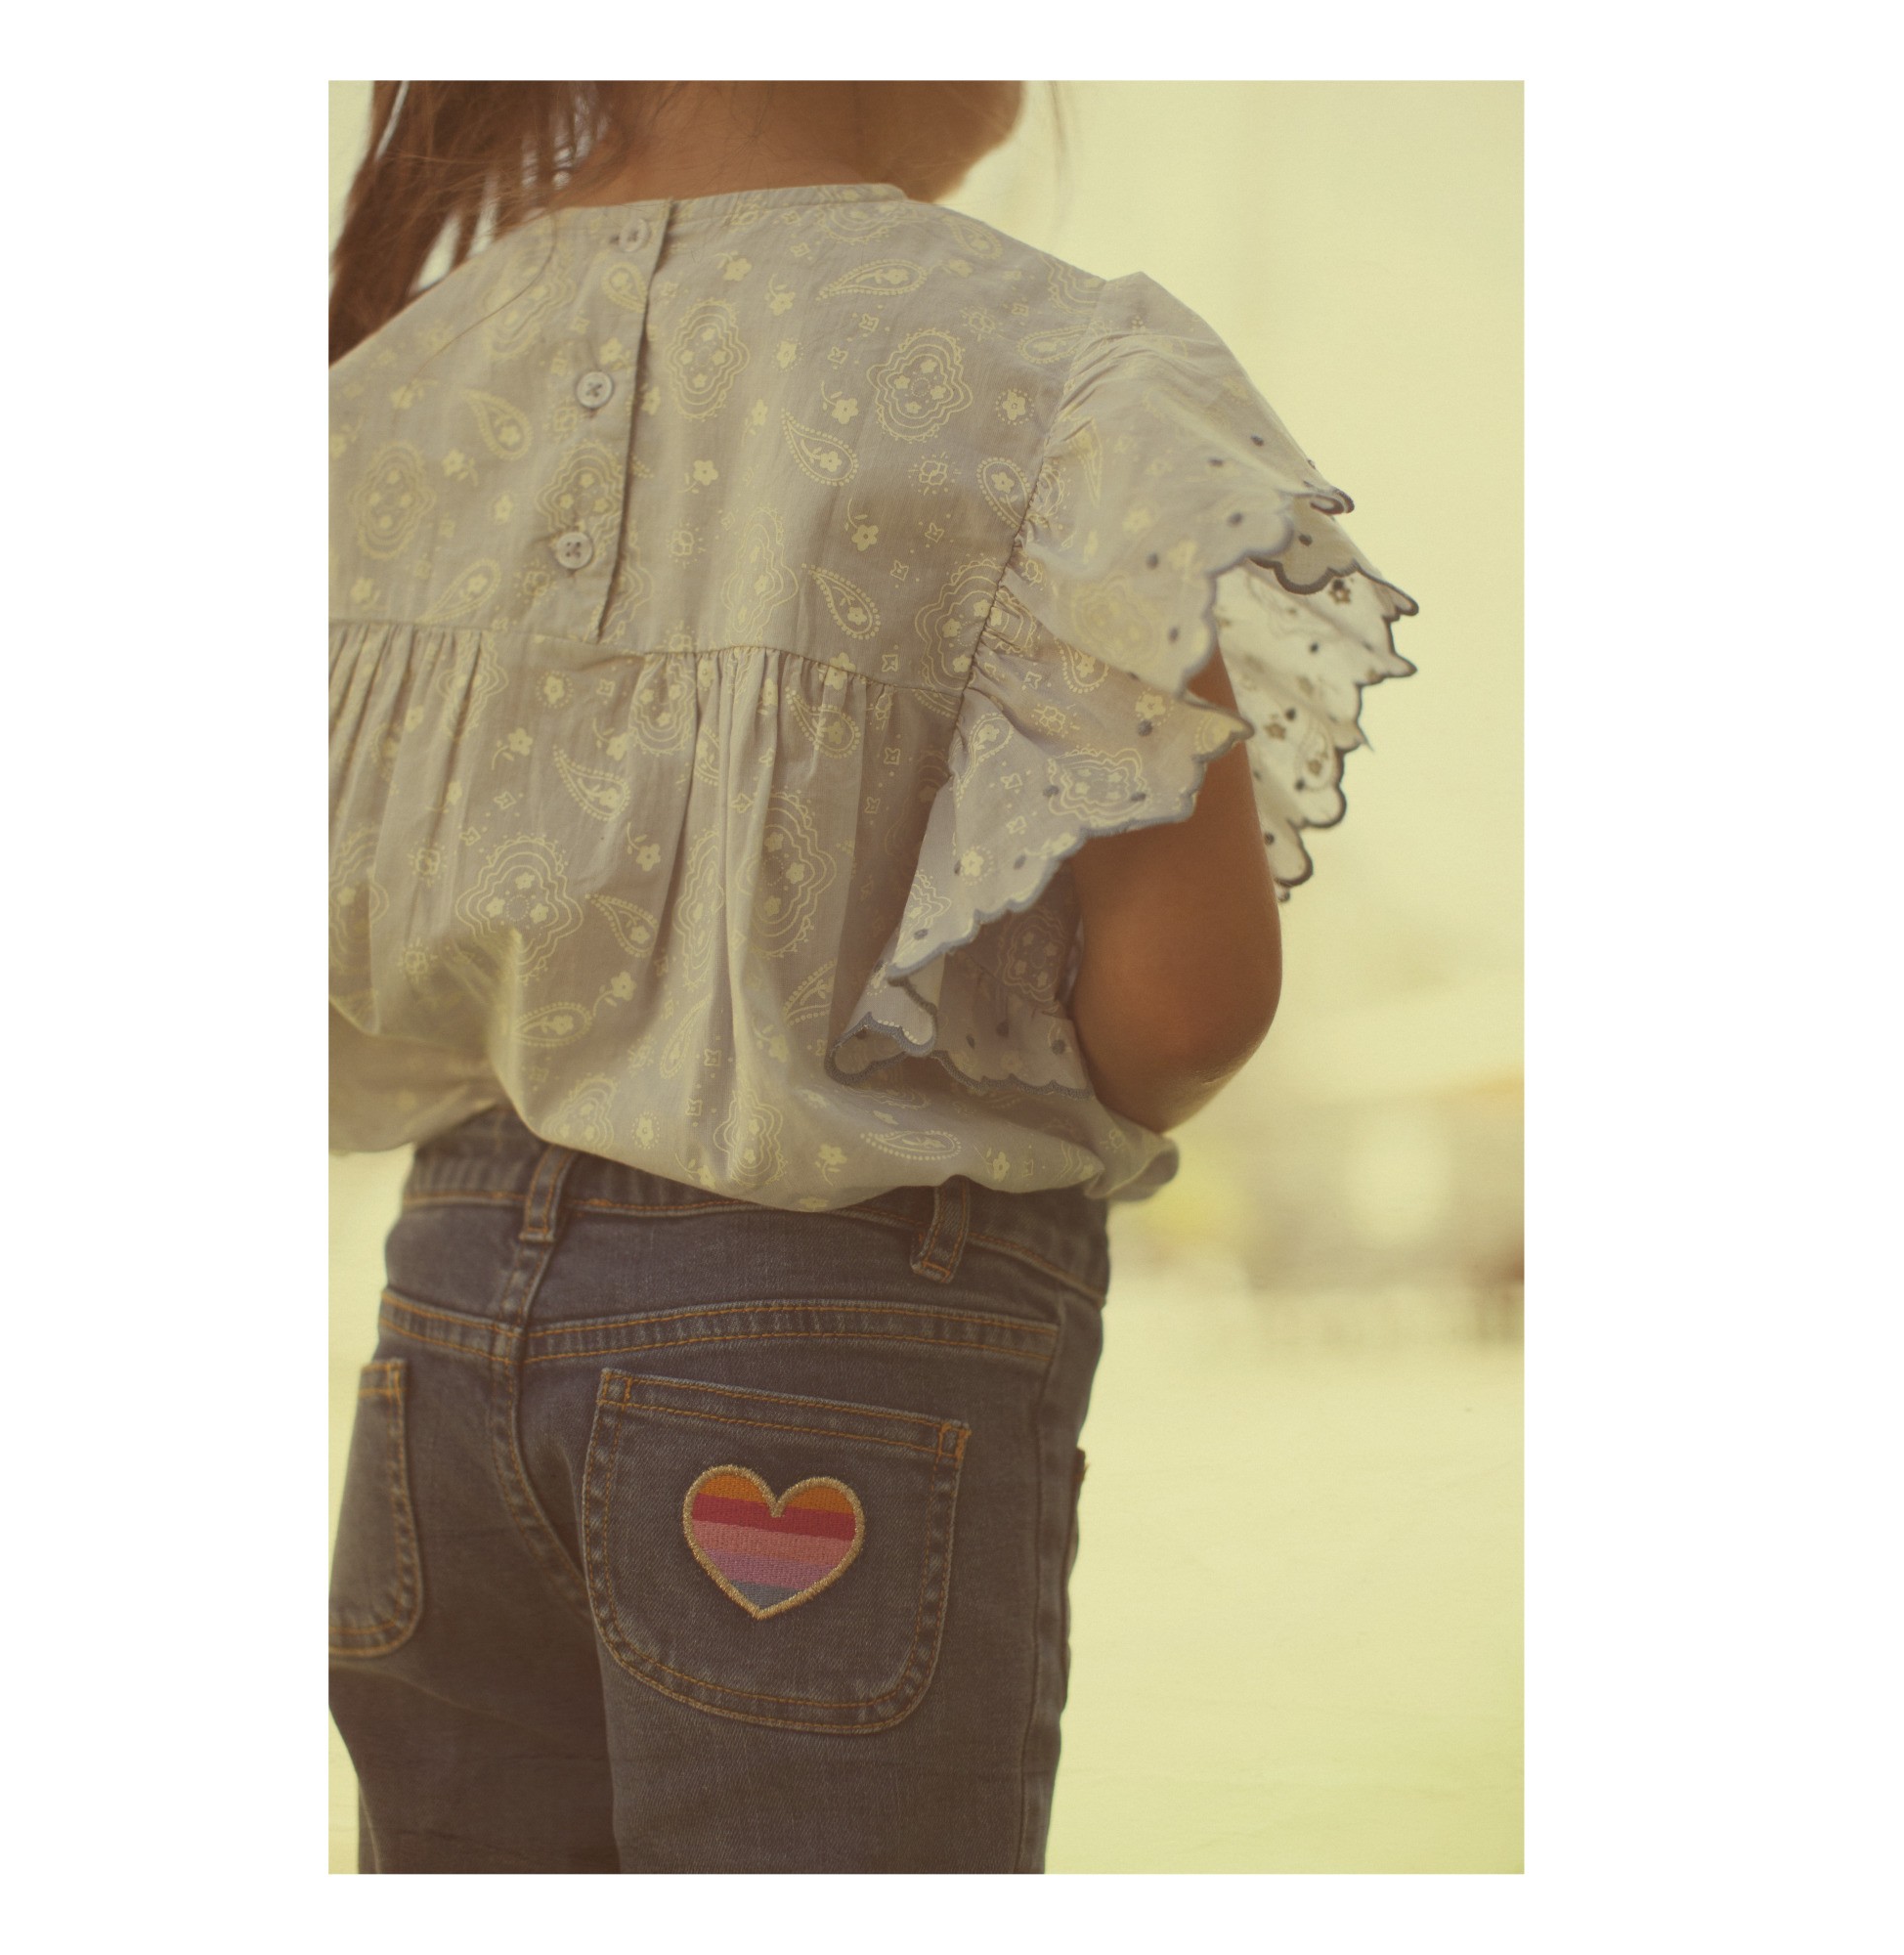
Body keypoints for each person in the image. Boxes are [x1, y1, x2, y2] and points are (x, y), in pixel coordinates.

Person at [327, 79, 1416, 1874]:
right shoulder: (1068, 377)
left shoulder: (380, 392)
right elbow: (1186, 1007)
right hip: (842, 1317)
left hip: (439, 1327)